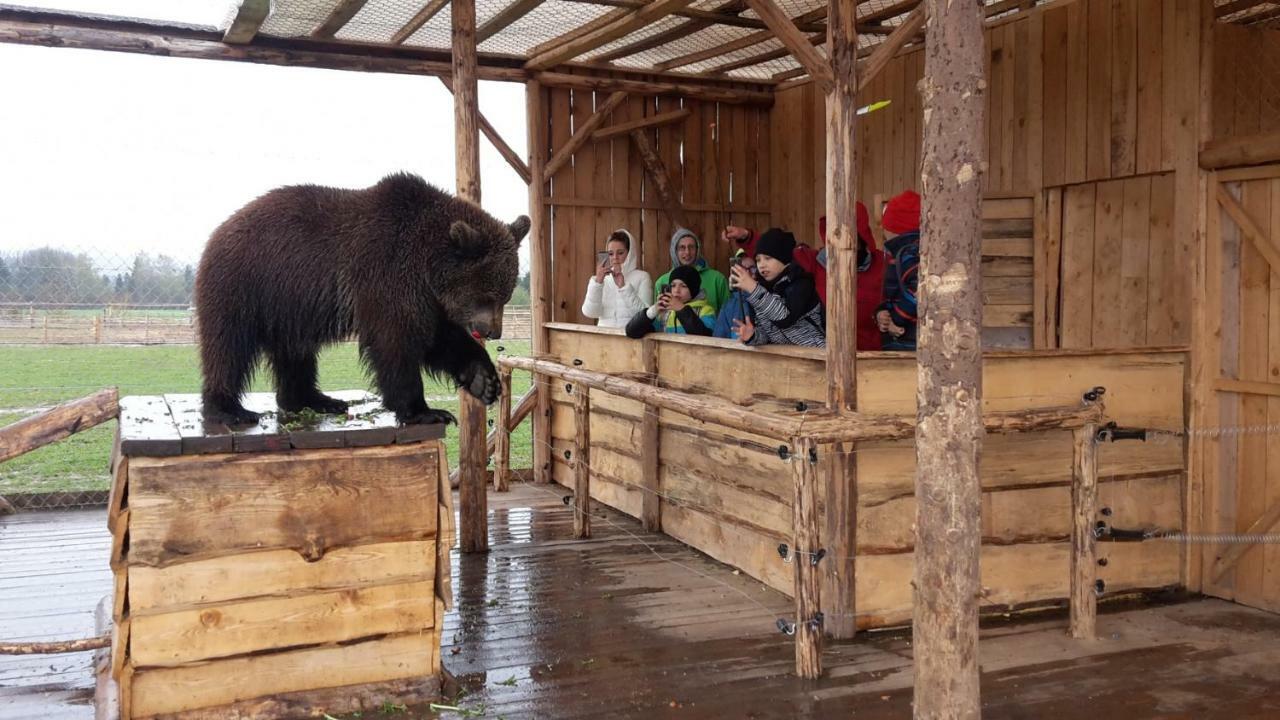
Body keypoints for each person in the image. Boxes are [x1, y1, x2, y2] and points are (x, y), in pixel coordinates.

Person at [727, 228, 825, 347]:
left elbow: (784, 318)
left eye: (768, 258)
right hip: (786, 360)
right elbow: (766, 334)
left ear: (783, 258)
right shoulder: (762, 290)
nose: (762, 265)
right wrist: (752, 336)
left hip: (818, 357)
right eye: (758, 260)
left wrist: (753, 289)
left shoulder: (800, 283)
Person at [815, 202, 888, 351]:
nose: (840, 239)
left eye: (846, 233)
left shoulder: (882, 263)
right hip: (828, 355)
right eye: (835, 232)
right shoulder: (817, 264)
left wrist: (887, 317)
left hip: (875, 354)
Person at [876, 190, 921, 351]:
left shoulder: (909, 254)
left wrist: (896, 318)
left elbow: (918, 289)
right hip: (904, 339)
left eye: (885, 225)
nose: (883, 230)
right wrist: (882, 314)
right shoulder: (898, 255)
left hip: (910, 341)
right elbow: (894, 292)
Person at [580, 229, 652, 329]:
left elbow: (645, 315)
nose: (615, 257)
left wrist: (623, 286)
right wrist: (597, 284)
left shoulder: (642, 277)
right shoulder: (602, 279)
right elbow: (590, 312)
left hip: (630, 338)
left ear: (630, 253)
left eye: (620, 253)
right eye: (610, 253)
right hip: (603, 338)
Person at [625, 265, 715, 338]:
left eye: (683, 286)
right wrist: (651, 312)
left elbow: (705, 337)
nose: (676, 290)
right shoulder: (664, 313)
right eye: (673, 285)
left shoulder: (706, 311)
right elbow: (631, 332)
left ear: (693, 289)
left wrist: (682, 310)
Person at [653, 228, 729, 314]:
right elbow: (658, 317)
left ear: (697, 250)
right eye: (682, 247)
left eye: (691, 247)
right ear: (674, 251)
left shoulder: (717, 279)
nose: (687, 252)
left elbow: (728, 314)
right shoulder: (662, 282)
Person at [713, 250, 758, 340]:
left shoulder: (766, 299)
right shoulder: (729, 306)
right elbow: (718, 340)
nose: (747, 273)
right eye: (743, 269)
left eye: (752, 269)